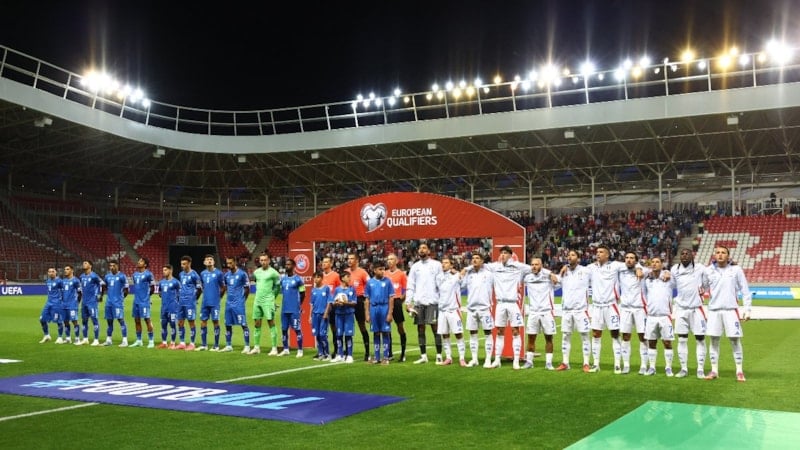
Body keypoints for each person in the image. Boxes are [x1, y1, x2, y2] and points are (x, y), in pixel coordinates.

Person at [578, 244, 642, 373]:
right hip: (596, 306)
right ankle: (596, 364)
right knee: (596, 334)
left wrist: (639, 267)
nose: (598, 254)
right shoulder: (591, 268)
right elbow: (577, 269)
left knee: (614, 334)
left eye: (601, 252)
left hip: (611, 305)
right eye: (597, 252)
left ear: (607, 255)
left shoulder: (615, 266)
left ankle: (617, 364)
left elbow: (631, 263)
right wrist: (566, 266)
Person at [701, 246, 752, 382]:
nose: (720, 255)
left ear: (728, 256)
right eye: (717, 252)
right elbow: (702, 288)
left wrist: (747, 310)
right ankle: (714, 370)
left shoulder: (736, 270)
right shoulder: (708, 271)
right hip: (714, 311)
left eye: (723, 252)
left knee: (735, 340)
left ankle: (739, 371)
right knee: (714, 340)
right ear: (714, 255)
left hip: (731, 310)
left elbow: (745, 290)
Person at [483, 245, 531, 369]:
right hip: (500, 303)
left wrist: (550, 274)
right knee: (499, 331)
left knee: (515, 331)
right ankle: (497, 359)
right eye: (501, 253)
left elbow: (535, 269)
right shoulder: (495, 267)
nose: (502, 255)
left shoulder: (518, 267)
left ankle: (516, 361)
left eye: (505, 253)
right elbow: (479, 266)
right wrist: (464, 269)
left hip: (513, 303)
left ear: (510, 255)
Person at [672, 248, 708, 379]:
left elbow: (706, 283)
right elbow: (671, 285)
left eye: (687, 253)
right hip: (681, 309)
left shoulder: (700, 268)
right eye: (682, 253)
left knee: (700, 339)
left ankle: (700, 369)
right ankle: (683, 369)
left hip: (696, 309)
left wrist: (701, 293)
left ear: (693, 255)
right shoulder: (674, 269)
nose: (685, 255)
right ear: (680, 256)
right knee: (682, 339)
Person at [405, 243, 443, 364]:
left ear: (429, 251)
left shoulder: (436, 265)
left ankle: (439, 355)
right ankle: (423, 356)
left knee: (435, 328)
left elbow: (441, 284)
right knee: (420, 329)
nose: (421, 250)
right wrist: (408, 302)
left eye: (424, 248)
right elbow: (410, 285)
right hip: (419, 302)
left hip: (433, 301)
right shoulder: (415, 267)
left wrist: (442, 300)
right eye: (420, 248)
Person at [555, 250, 592, 372]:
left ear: (579, 258)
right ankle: (565, 363)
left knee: (585, 336)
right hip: (566, 310)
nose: (569, 257)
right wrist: (561, 271)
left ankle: (586, 363)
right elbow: (555, 281)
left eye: (573, 255)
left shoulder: (586, 271)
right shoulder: (564, 272)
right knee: (565, 336)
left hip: (581, 310)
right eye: (568, 255)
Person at [641, 256, 676, 376]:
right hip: (651, 316)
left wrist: (667, 272)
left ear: (662, 264)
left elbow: (675, 275)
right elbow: (644, 294)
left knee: (667, 342)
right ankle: (652, 368)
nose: (655, 264)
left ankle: (668, 367)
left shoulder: (669, 278)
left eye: (657, 262)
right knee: (651, 342)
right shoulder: (647, 280)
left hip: (665, 316)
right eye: (653, 262)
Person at [521, 257, 559, 370]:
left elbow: (558, 280)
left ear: (541, 265)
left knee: (549, 338)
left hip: (546, 312)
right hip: (533, 312)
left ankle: (548, 363)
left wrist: (550, 273)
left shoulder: (548, 277)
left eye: (536, 264)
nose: (534, 266)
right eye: (532, 264)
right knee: (531, 338)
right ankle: (529, 362)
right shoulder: (527, 278)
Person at [460, 253, 495, 367]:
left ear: (482, 261)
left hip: (485, 308)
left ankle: (488, 359)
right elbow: (462, 286)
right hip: (471, 309)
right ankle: (474, 359)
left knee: (488, 333)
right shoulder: (469, 274)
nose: (474, 260)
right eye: (473, 258)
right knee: (472, 333)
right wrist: (464, 272)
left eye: (477, 258)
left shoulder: (489, 274)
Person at [618, 252, 649, 374]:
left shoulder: (644, 271)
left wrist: (639, 268)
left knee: (642, 337)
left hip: (640, 308)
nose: (629, 260)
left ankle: (643, 365)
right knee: (625, 337)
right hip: (625, 308)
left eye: (632, 258)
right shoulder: (620, 270)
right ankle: (626, 365)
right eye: (627, 258)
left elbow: (650, 270)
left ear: (636, 260)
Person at [435, 257, 466, 366]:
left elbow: (464, 279)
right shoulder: (438, 277)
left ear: (451, 265)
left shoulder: (456, 276)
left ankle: (462, 358)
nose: (443, 264)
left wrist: (457, 272)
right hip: (442, 310)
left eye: (446, 262)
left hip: (453, 310)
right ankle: (448, 357)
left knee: (458, 334)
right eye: (442, 263)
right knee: (445, 334)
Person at [251, 252, 282, 355]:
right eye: (261, 260)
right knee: (257, 323)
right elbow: (257, 283)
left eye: (265, 260)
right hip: (257, 300)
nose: (263, 262)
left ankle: (274, 348)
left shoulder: (274, 273)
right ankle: (256, 347)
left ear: (269, 260)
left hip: (268, 300)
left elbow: (277, 287)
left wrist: (272, 297)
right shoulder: (256, 272)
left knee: (271, 322)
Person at [364, 260, 394, 365]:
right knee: (376, 332)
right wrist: (367, 314)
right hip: (374, 308)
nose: (382, 271)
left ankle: (386, 357)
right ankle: (376, 357)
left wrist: (390, 313)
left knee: (385, 332)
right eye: (380, 269)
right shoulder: (369, 283)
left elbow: (391, 298)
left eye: (383, 269)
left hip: (384, 308)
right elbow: (367, 299)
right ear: (374, 270)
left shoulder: (388, 281)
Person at [220, 257, 251, 353]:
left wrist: (243, 300)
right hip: (229, 303)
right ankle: (228, 345)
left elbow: (247, 289)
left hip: (239, 304)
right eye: (227, 263)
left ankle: (247, 346)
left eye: (230, 263)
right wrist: (219, 298)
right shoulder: (226, 275)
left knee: (243, 324)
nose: (228, 265)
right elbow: (224, 288)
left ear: (235, 263)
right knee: (227, 324)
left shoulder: (242, 274)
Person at [345, 253, 372, 361]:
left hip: (359, 300)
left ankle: (367, 352)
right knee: (347, 327)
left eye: (352, 258)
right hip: (347, 301)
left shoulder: (362, 272)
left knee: (362, 326)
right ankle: (347, 352)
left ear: (357, 260)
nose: (349, 260)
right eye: (348, 258)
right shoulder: (346, 272)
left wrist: (367, 299)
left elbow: (370, 285)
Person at [278, 258, 306, 357]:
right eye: (286, 264)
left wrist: (298, 305)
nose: (287, 266)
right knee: (284, 329)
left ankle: (300, 350)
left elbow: (303, 294)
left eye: (289, 264)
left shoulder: (298, 279)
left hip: (294, 309)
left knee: (297, 329)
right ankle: (286, 349)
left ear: (294, 266)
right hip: (284, 309)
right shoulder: (283, 279)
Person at [198, 254, 225, 351]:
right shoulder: (202, 274)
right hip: (205, 302)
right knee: (203, 322)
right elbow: (201, 286)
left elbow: (223, 287)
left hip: (214, 302)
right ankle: (204, 345)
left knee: (215, 321)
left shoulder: (219, 273)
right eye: (207, 259)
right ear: (204, 262)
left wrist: (219, 298)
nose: (209, 261)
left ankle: (216, 345)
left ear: (213, 262)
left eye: (211, 259)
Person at [385, 253, 408, 362]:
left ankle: (403, 353)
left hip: (397, 301)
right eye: (388, 259)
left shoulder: (401, 274)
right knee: (387, 328)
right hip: (386, 303)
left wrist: (400, 300)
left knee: (400, 327)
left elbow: (405, 289)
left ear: (396, 261)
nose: (389, 261)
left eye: (391, 259)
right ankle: (389, 352)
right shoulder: (384, 274)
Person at [176, 255, 202, 350]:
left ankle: (192, 343)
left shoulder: (194, 275)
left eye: (184, 264)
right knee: (180, 322)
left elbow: (199, 289)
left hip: (190, 302)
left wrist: (194, 299)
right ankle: (182, 343)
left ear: (189, 264)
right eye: (181, 264)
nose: (182, 265)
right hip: (181, 302)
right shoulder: (181, 274)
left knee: (191, 322)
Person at [102, 260, 129, 347]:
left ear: (117, 266)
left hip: (117, 303)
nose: (111, 267)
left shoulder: (122, 276)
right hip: (108, 303)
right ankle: (108, 340)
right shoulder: (107, 276)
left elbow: (126, 290)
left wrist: (121, 299)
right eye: (110, 266)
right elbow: (104, 286)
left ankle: (125, 340)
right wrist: (102, 295)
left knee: (121, 320)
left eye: (113, 266)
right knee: (109, 321)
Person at [331, 271, 357, 363]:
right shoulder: (337, 290)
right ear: (342, 278)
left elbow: (354, 303)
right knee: (338, 335)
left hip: (348, 314)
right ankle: (340, 355)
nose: (349, 278)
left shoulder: (352, 289)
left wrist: (345, 303)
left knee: (348, 335)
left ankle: (349, 355)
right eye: (347, 276)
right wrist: (336, 303)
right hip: (339, 314)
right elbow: (332, 302)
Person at [129, 257, 156, 348]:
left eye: (141, 261)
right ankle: (139, 340)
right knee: (136, 320)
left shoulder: (149, 274)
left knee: (147, 320)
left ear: (145, 264)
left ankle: (151, 341)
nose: (138, 262)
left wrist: (147, 298)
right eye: (139, 260)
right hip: (136, 301)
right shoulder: (135, 274)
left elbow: (152, 288)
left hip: (144, 302)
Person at [77, 260, 103, 346]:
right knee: (84, 320)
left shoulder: (94, 276)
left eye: (86, 263)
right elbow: (80, 289)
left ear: (90, 266)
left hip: (92, 302)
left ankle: (96, 340)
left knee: (94, 319)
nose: (84, 264)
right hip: (84, 302)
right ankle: (85, 339)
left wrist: (100, 295)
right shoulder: (81, 276)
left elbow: (102, 284)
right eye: (83, 263)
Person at [320, 256, 341, 357]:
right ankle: (322, 351)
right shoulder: (319, 276)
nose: (324, 264)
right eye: (323, 262)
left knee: (334, 328)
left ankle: (336, 350)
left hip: (332, 307)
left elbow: (340, 290)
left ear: (331, 264)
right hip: (321, 306)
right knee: (321, 329)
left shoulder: (336, 276)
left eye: (326, 262)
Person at [308, 270, 332, 360]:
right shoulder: (313, 290)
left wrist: (326, 313)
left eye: (318, 277)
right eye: (315, 277)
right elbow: (311, 304)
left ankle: (327, 353)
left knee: (323, 335)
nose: (316, 279)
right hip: (315, 315)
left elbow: (329, 302)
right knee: (317, 335)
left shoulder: (326, 288)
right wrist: (309, 316)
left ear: (322, 278)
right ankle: (320, 353)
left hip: (323, 315)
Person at [157, 264, 181, 349]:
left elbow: (179, 295)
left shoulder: (176, 282)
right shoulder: (161, 282)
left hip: (173, 308)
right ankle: (164, 342)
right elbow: (159, 292)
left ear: (170, 271)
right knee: (163, 325)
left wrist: (176, 304)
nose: (164, 272)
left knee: (173, 325)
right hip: (164, 308)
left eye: (165, 270)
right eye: (163, 270)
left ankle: (172, 343)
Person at [40, 267, 63, 344]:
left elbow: (64, 291)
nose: (51, 273)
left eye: (52, 271)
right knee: (42, 319)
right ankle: (46, 335)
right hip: (48, 303)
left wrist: (62, 300)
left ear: (56, 272)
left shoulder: (59, 281)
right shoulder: (48, 281)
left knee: (58, 321)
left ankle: (60, 337)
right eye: (49, 272)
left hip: (57, 304)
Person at [61, 264, 81, 345]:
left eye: (67, 269)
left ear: (72, 270)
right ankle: (68, 338)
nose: (65, 270)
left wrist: (77, 303)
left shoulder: (76, 280)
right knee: (65, 321)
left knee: (74, 321)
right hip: (64, 304)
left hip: (72, 304)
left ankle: (77, 338)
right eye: (65, 269)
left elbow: (80, 293)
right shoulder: (63, 281)